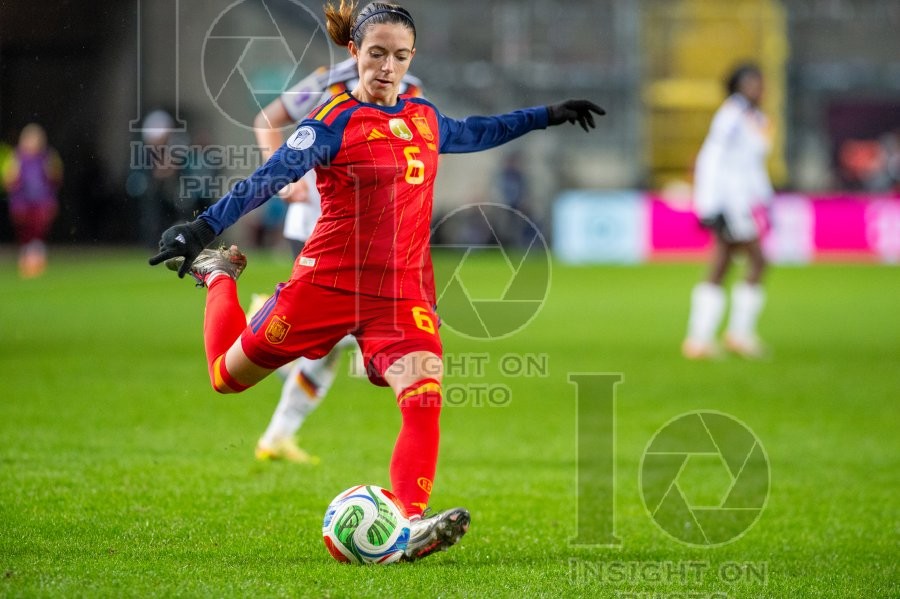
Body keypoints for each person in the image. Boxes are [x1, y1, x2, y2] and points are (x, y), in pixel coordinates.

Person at [149, 0, 604, 561]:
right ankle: (220, 275)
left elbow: (480, 129)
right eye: (377, 54)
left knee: (424, 396)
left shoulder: (423, 118)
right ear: (354, 53)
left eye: (400, 56)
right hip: (325, 288)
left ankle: (409, 527)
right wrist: (200, 230)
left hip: (400, 296)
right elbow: (268, 178)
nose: (387, 67)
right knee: (226, 377)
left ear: (412, 58)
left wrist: (548, 113)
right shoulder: (330, 123)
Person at [250, 56, 423, 465]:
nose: (387, 59)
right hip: (317, 225)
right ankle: (264, 318)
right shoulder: (327, 82)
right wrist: (282, 175)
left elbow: (427, 144)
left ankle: (275, 438)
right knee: (347, 335)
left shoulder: (412, 89)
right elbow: (267, 120)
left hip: (371, 236)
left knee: (328, 348)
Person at [683, 63, 773, 359]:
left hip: (743, 201)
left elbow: (751, 165)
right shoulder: (731, 116)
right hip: (731, 203)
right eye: (750, 83)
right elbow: (712, 158)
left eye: (759, 83)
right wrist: (707, 204)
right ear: (736, 86)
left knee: (722, 263)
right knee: (757, 261)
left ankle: (700, 339)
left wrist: (764, 198)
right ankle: (737, 333)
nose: (757, 89)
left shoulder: (753, 117)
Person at [2, 124, 63, 278]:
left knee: (39, 230)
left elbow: (56, 178)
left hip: (42, 201)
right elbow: (9, 179)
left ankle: (37, 260)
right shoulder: (17, 157)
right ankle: (26, 260)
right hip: (22, 202)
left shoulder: (47, 156)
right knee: (25, 232)